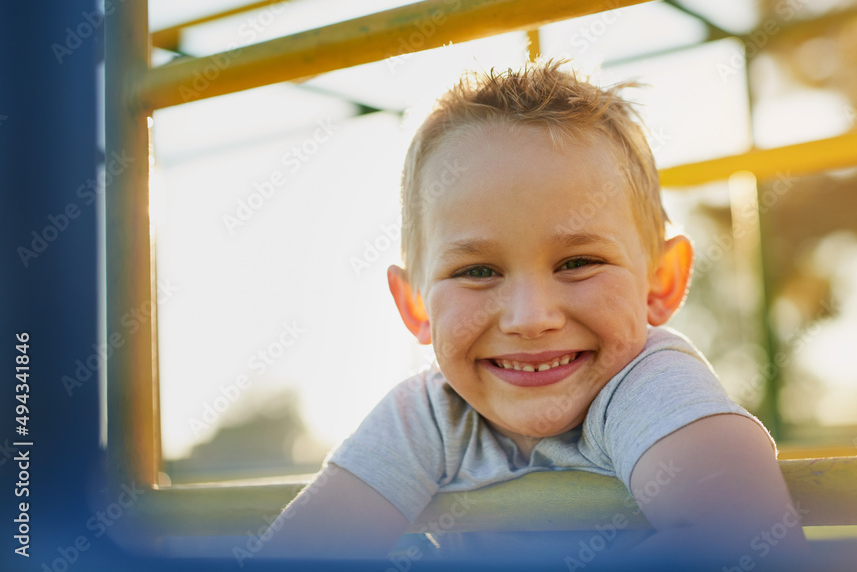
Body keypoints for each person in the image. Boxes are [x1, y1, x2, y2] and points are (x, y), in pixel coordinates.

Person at [262, 60, 807, 563]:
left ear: (660, 282)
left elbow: (747, 544)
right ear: (415, 304)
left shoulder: (646, 385)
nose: (529, 317)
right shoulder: (431, 413)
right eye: (477, 271)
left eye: (578, 262)